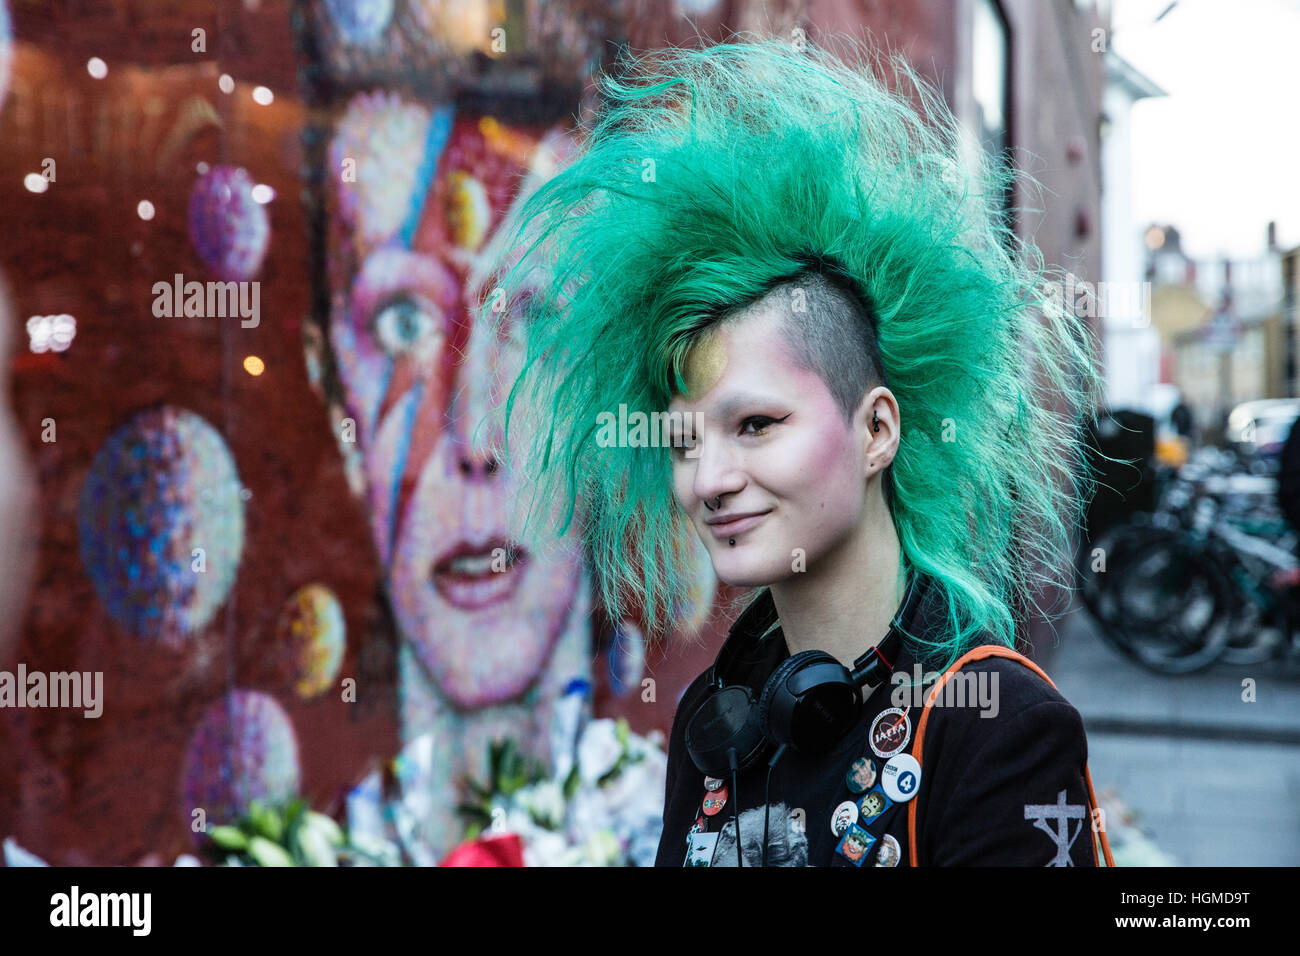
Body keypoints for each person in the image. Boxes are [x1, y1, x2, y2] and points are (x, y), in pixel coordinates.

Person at [475, 36, 1111, 866]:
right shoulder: (718, 717)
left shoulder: (996, 726)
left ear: (877, 430)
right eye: (683, 440)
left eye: (756, 426)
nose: (709, 480)